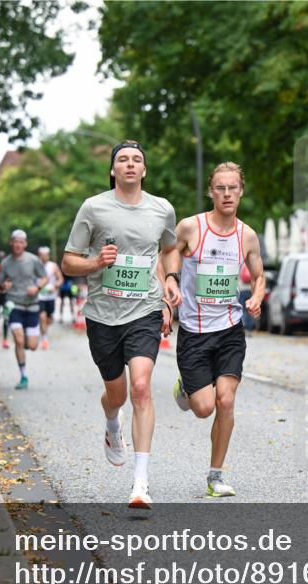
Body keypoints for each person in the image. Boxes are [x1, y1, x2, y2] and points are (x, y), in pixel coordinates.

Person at [61, 140, 177, 510]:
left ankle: (140, 484)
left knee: (141, 386)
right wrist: (95, 263)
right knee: (118, 394)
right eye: (123, 160)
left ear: (144, 170)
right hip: (103, 315)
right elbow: (68, 262)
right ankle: (112, 421)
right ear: (113, 170)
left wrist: (170, 279)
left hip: (144, 310)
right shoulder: (93, 208)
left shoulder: (162, 209)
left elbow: (170, 247)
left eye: (137, 160)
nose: (130, 164)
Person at [161, 162, 266, 498]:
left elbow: (259, 275)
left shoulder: (247, 235)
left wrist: (257, 298)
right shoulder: (191, 227)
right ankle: (188, 388)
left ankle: (215, 476)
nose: (226, 194)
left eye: (232, 187)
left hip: (230, 329)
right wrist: (171, 281)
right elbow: (168, 252)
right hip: (194, 330)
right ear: (211, 191)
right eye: (220, 187)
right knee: (203, 407)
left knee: (225, 400)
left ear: (241, 191)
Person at [0, 230, 48, 389]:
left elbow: (45, 278)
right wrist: (3, 286)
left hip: (31, 306)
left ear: (25, 244)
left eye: (21, 242)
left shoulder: (33, 260)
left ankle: (25, 342)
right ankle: (23, 376)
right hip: (14, 305)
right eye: (15, 241)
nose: (18, 244)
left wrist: (37, 287)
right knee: (18, 340)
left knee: (31, 346)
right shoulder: (5, 263)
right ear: (11, 243)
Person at [36, 246, 63, 349]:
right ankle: (44, 339)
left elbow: (60, 279)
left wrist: (55, 286)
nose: (43, 257)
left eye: (45, 255)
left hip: (51, 296)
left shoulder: (53, 266)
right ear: (39, 256)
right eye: (41, 255)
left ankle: (43, 329)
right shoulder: (35, 266)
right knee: (42, 317)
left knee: (49, 320)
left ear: (48, 255)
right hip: (39, 296)